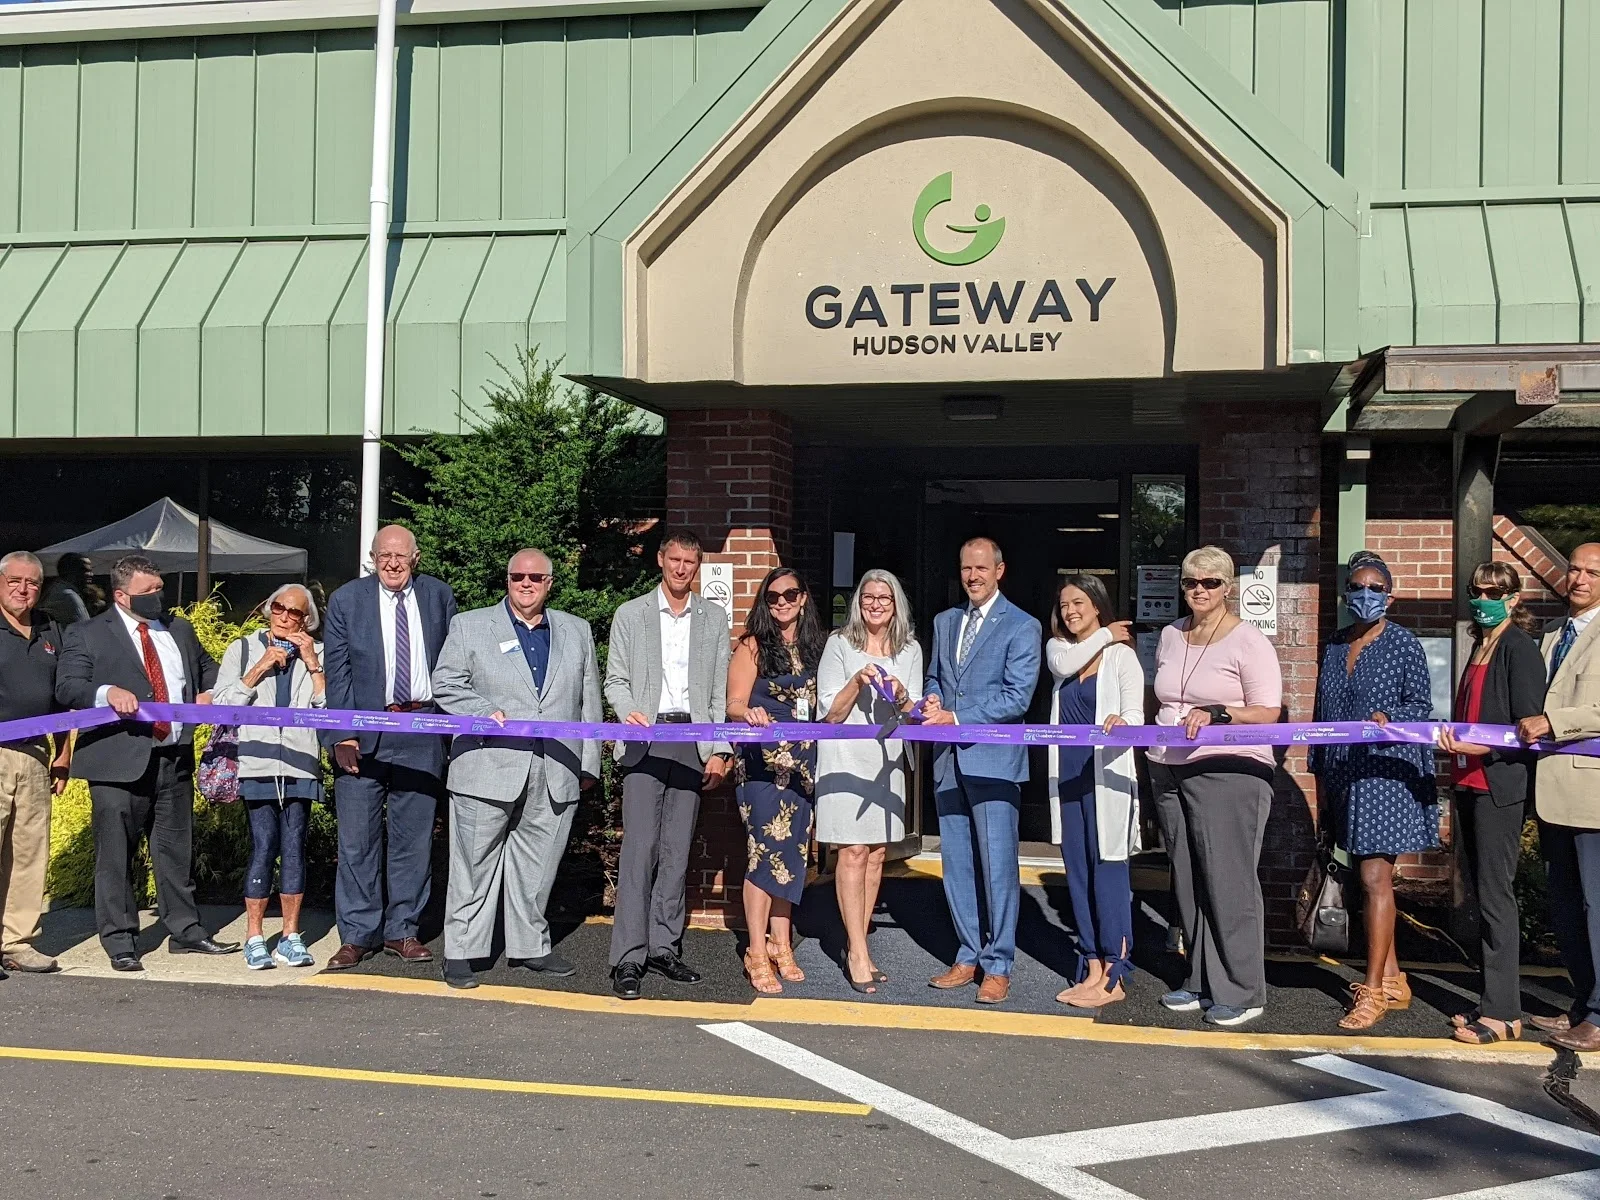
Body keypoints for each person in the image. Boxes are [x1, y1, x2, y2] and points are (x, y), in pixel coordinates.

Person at [54, 554, 237, 970]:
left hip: (174, 755)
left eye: (159, 588)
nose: (158, 596)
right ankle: (120, 940)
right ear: (121, 596)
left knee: (175, 850)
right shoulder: (87, 633)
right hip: (117, 759)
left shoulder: (179, 628)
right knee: (116, 855)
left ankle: (186, 930)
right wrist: (106, 692)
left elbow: (208, 668)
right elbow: (68, 686)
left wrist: (210, 691)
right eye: (148, 591)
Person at [431, 549, 602, 990]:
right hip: (486, 765)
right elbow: (445, 683)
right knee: (472, 866)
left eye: (535, 577)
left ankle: (530, 946)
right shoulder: (469, 625)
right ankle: (462, 952)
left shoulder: (576, 630)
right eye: (517, 576)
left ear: (550, 583)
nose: (526, 583)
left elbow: (588, 701)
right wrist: (482, 710)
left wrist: (588, 763)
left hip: (556, 767)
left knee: (538, 867)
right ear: (507, 580)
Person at [1146, 545, 1283, 1028]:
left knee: (1229, 881)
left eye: (1210, 582)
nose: (1199, 590)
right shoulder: (1170, 635)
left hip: (1229, 769)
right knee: (1189, 881)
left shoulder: (1249, 641)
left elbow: (1269, 712)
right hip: (1169, 767)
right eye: (1190, 581)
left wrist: (1221, 713)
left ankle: (1243, 990)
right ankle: (1201, 978)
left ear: (1228, 588)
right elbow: (1165, 697)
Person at [320, 525, 457, 970]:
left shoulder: (439, 596)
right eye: (384, 556)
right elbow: (337, 672)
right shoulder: (347, 600)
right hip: (362, 736)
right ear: (373, 559)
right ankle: (357, 935)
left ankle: (403, 930)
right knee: (357, 842)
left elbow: (453, 664)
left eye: (400, 556)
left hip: (422, 729)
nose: (392, 564)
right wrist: (342, 735)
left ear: (415, 559)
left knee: (413, 842)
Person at [1309, 551, 1436, 1031]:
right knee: (1364, 876)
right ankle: (1395, 977)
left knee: (1374, 878)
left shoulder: (1403, 644)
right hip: (1343, 773)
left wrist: (1389, 718)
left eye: (1376, 588)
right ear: (1347, 595)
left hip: (1385, 774)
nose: (1366, 594)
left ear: (1390, 596)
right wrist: (1321, 778)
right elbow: (1322, 716)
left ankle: (1375, 990)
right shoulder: (1334, 645)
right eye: (1358, 587)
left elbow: (1420, 705)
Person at [605, 531, 732, 1000]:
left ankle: (664, 947)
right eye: (674, 559)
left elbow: (718, 693)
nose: (681, 569)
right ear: (660, 560)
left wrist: (719, 748)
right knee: (640, 850)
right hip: (645, 739)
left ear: (698, 566)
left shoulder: (713, 618)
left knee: (677, 852)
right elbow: (615, 680)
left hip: (692, 741)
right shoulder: (631, 614)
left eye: (689, 562)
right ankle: (628, 956)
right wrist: (627, 713)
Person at [920, 536, 1042, 1005]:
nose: (972, 576)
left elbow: (1017, 697)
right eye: (966, 568)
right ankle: (967, 954)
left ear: (999, 570)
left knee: (998, 867)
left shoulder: (1022, 625)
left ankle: (999, 963)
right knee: (956, 865)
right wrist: (933, 699)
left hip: (993, 761)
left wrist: (956, 717)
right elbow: (935, 677)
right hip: (948, 761)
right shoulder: (945, 621)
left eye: (981, 568)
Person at [1435, 560, 1546, 1044]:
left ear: (1513, 598)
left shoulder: (1519, 648)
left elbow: (1529, 726)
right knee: (1482, 895)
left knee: (1497, 897)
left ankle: (1503, 1013)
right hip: (1468, 783)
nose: (1483, 599)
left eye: (1494, 592)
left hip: (1498, 786)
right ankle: (1492, 1002)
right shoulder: (1480, 645)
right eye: (1476, 590)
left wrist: (1480, 747)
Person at [816, 570, 923, 995]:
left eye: (884, 598)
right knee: (853, 851)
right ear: (858, 602)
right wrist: (857, 681)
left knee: (877, 854)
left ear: (896, 605)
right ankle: (859, 953)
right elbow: (830, 714)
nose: (876, 604)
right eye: (868, 597)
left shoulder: (910, 648)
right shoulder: (839, 644)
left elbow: (913, 713)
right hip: (845, 759)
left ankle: (855, 943)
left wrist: (901, 695)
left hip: (886, 761)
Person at [211, 584, 327, 971]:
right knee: (263, 846)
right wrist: (259, 667)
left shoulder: (319, 652)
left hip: (299, 762)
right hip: (257, 761)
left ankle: (291, 936)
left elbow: (328, 711)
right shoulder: (242, 649)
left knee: (294, 847)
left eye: (294, 612)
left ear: (306, 620)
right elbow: (222, 708)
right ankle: (255, 936)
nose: (284, 616)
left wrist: (312, 664)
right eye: (278, 607)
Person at [1045, 574, 1144, 1010]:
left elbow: (1135, 714)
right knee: (1078, 872)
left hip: (1106, 781)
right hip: (1068, 778)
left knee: (1108, 872)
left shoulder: (1122, 657)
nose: (1070, 611)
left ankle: (1114, 972)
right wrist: (1105, 632)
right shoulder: (1060, 650)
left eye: (1079, 603)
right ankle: (1091, 965)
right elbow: (1063, 666)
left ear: (1098, 605)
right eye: (1064, 604)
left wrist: (1123, 723)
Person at [1516, 543, 1600, 1052]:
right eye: (1574, 569)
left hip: (1592, 796)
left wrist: (1554, 722)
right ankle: (1582, 1003)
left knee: (1597, 906)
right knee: (1567, 908)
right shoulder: (1551, 634)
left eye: (1593, 572)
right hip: (1550, 793)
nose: (1580, 579)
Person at [726, 567, 824, 994]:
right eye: (773, 597)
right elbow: (732, 702)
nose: (781, 602)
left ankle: (781, 942)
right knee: (764, 852)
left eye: (790, 594)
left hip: (803, 764)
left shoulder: (818, 647)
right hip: (762, 765)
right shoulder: (752, 645)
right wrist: (748, 712)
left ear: (803, 598)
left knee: (793, 853)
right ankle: (755, 948)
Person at [0, 551, 71, 975]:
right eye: (14, 581)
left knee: (28, 854)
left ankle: (16, 942)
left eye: (31, 583)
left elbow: (62, 698)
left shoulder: (50, 629)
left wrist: (63, 753)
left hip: (35, 755)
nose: (23, 590)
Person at [38, 553, 92, 626]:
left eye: (90, 571)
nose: (91, 574)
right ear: (69, 571)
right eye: (84, 570)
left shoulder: (55, 589)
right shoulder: (67, 596)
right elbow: (84, 628)